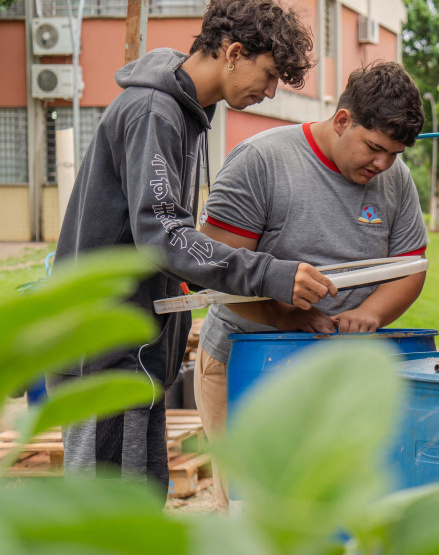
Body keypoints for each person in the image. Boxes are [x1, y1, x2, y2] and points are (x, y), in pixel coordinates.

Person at [50, 0, 335, 499]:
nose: (269, 92)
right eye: (268, 75)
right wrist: (271, 274)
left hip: (137, 352)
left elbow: (168, 238)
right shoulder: (153, 111)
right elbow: (165, 236)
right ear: (234, 52)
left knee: (141, 504)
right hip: (106, 355)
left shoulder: (186, 113)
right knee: (111, 522)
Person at [194, 61, 428, 509]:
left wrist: (372, 313)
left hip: (343, 366)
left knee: (337, 504)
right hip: (248, 359)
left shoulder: (393, 176)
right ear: (342, 120)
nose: (384, 164)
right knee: (254, 507)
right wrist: (288, 314)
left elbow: (411, 266)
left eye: (395, 154)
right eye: (375, 147)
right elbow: (215, 268)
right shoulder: (262, 160)